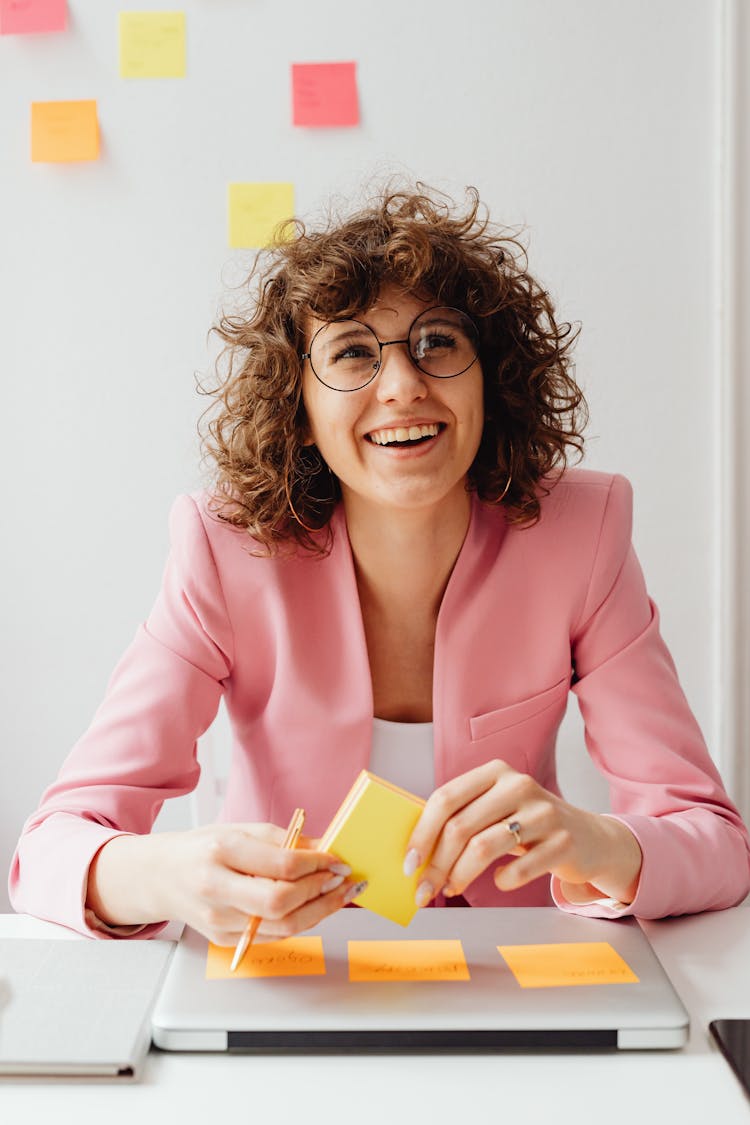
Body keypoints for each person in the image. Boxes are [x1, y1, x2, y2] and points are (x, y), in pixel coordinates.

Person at [9, 185, 750, 944]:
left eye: (438, 342)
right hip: (296, 974)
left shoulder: (581, 534)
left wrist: (602, 843)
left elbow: (714, 840)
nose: (402, 386)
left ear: (490, 377)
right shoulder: (225, 553)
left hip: (515, 977)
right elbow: (48, 849)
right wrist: (168, 875)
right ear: (297, 407)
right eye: (353, 352)